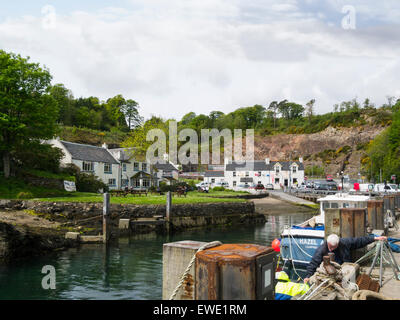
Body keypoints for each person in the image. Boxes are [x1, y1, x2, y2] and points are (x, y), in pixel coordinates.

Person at [303, 233, 387, 284]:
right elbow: (313, 263)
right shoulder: (321, 250)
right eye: (330, 247)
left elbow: (359, 241)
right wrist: (308, 276)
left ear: (338, 243)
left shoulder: (344, 243)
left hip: (345, 269)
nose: (331, 249)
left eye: (334, 247)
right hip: (330, 273)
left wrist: (375, 238)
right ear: (327, 242)